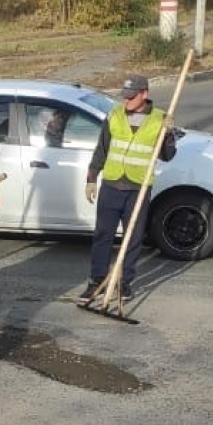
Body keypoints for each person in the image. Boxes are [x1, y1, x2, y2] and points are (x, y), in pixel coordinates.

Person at [79, 74, 178, 303]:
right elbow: (101, 150)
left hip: (138, 188)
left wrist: (168, 134)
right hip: (112, 185)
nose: (126, 102)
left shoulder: (159, 119)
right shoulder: (114, 115)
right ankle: (97, 282)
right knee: (103, 236)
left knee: (132, 239)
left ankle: (124, 285)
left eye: (131, 97)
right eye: (124, 97)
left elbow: (168, 155)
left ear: (145, 94)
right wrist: (92, 178)